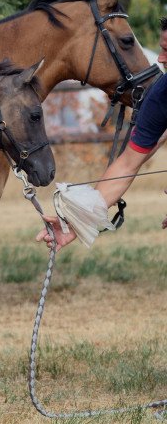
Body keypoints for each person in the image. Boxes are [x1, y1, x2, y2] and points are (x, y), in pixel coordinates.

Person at [36, 17, 167, 250]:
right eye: (162, 49)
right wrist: (76, 221)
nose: (160, 59)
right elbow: (126, 166)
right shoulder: (161, 96)